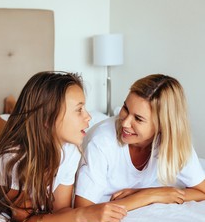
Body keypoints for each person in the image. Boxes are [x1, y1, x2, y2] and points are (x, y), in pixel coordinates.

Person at [0, 71, 127, 222]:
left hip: (35, 139)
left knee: (12, 132)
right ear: (47, 119)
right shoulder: (13, 158)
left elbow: (61, 209)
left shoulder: (70, 149)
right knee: (4, 135)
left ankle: (12, 107)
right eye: (79, 109)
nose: (88, 116)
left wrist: (80, 215)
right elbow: (24, 219)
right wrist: (82, 214)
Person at [74, 74, 205, 211]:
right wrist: (149, 195)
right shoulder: (101, 142)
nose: (125, 123)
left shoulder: (173, 143)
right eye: (125, 108)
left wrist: (147, 192)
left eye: (138, 119)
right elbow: (84, 210)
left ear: (162, 125)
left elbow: (202, 191)